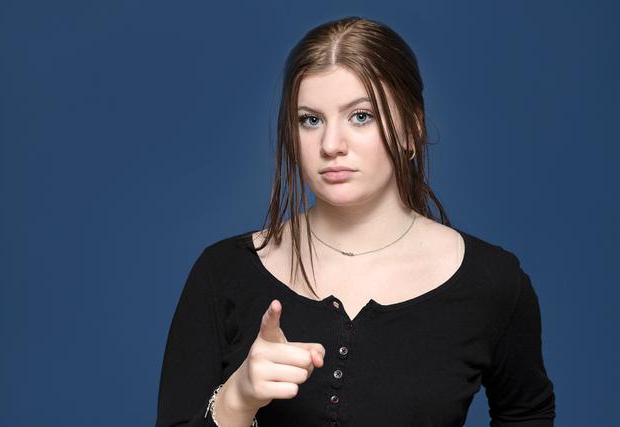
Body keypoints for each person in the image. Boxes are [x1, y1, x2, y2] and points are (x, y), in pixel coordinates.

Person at [155, 16, 556, 427]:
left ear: (411, 128)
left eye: (360, 116)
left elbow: (527, 413)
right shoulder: (222, 272)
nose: (331, 145)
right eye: (310, 120)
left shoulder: (493, 282)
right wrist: (237, 401)